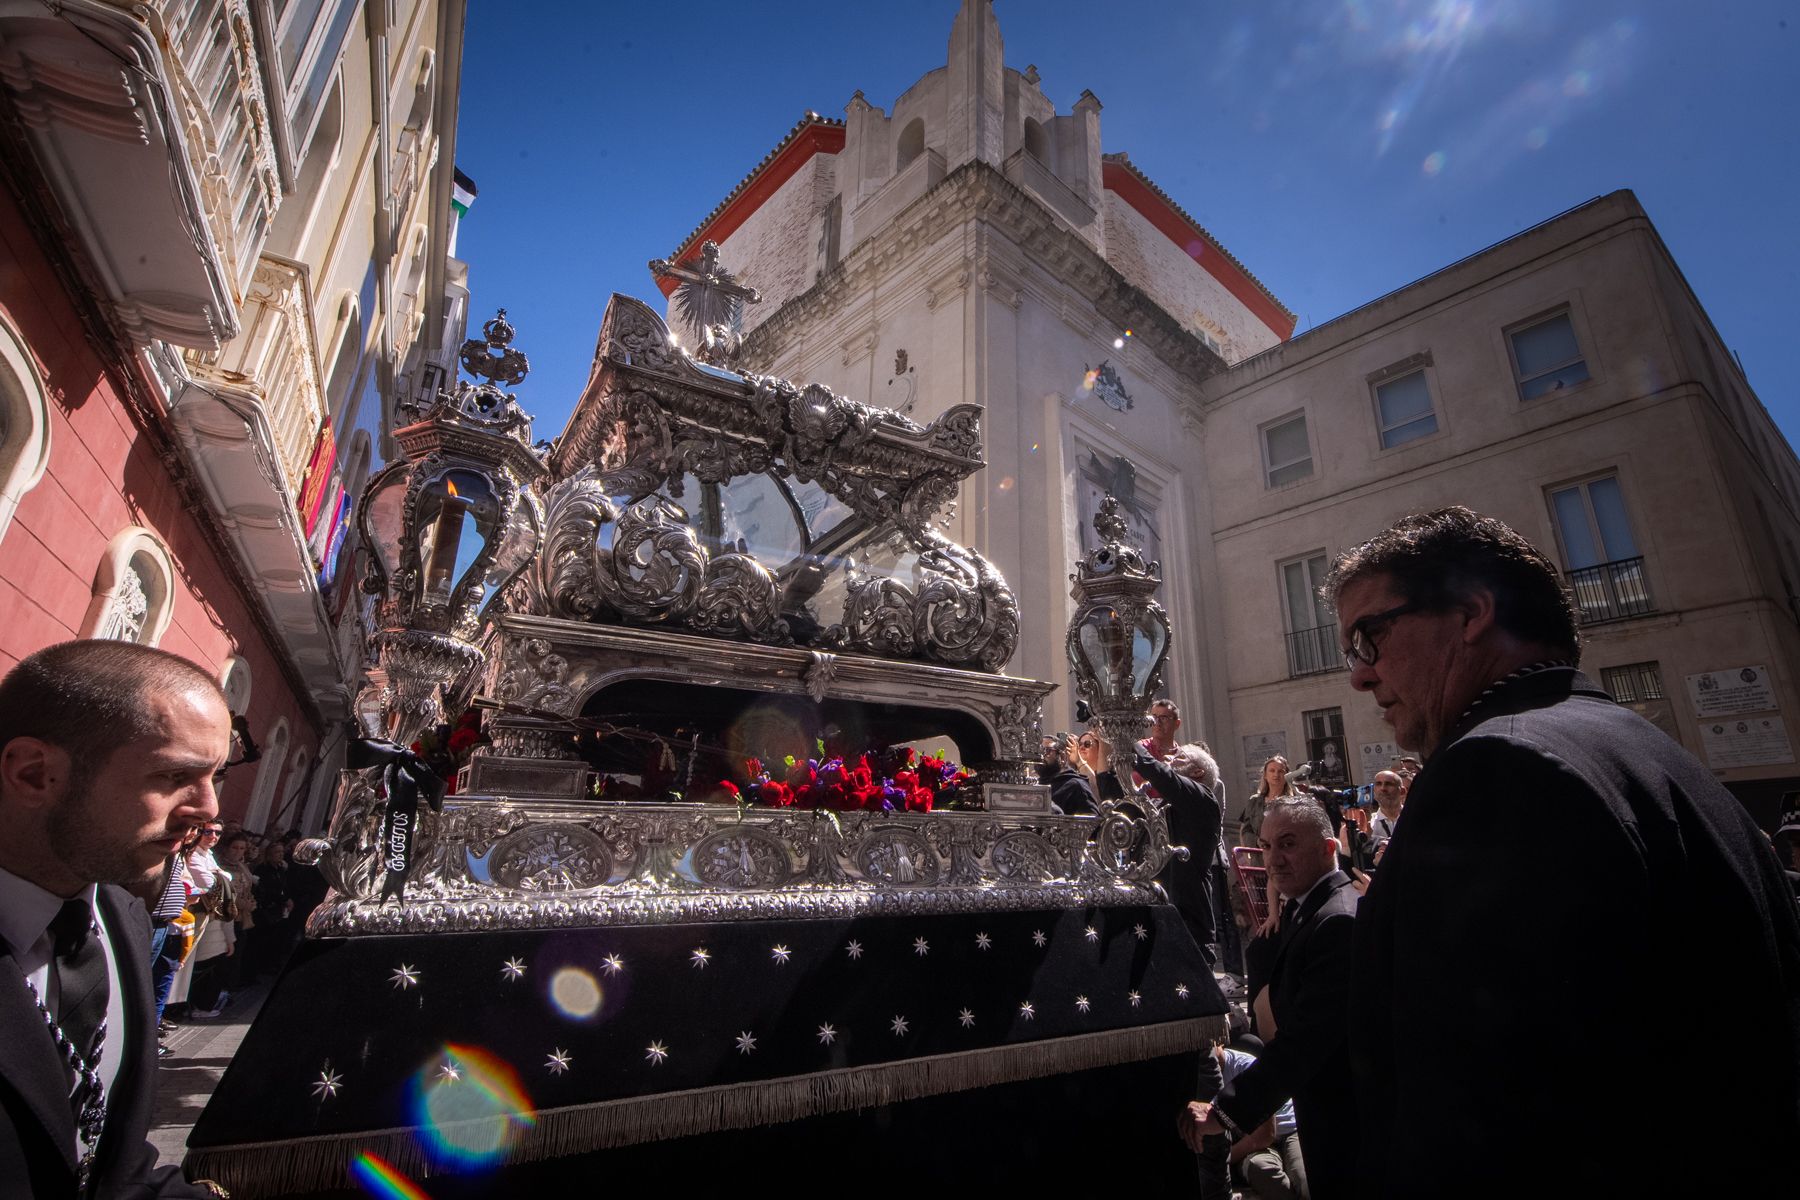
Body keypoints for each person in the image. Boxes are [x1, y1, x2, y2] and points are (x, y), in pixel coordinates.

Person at [1326, 506, 1800, 1195]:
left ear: (1471, 612)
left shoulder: (1495, 770)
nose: (1360, 676)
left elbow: (1480, 1123)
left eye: (1369, 637)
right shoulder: (1665, 760)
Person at [0, 640, 231, 1197]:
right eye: (173, 775)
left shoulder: (123, 919)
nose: (208, 809)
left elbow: (116, 1172)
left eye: (214, 777)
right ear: (34, 774)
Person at [1178, 798, 1358, 1199]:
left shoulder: (1337, 920)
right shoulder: (1306, 909)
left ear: (1328, 848)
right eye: (1266, 845)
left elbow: (1305, 1043)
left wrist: (1223, 1112)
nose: (1273, 859)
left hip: (1348, 1118)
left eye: (1288, 844)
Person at [1133, 742, 1224, 961]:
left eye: (1179, 757)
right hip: (1154, 922)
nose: (1169, 758)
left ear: (1197, 772)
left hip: (1188, 928)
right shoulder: (1164, 806)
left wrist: (1124, 734)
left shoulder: (1203, 798)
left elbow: (1158, 773)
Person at [1364, 770, 1405, 863]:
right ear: (1373, 791)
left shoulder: (1414, 819)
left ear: (1402, 791)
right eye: (1378, 784)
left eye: (1389, 784)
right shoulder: (1370, 823)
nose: (1383, 788)